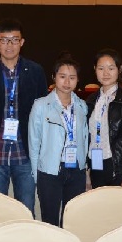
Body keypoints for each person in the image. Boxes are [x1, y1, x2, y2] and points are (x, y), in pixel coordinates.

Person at [0, 18, 48, 215]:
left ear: (22, 42)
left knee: (26, 211)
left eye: (14, 40)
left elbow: (43, 114)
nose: (9, 45)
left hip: (25, 155)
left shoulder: (35, 72)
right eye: (4, 40)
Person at [28, 55, 88, 227]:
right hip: (49, 171)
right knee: (50, 220)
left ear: (78, 80)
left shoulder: (82, 106)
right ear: (54, 77)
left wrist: (84, 169)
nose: (67, 82)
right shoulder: (41, 106)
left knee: (71, 219)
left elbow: (85, 139)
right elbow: (34, 142)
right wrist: (37, 175)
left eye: (72, 77)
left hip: (76, 170)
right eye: (62, 76)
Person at [85, 49, 122, 190]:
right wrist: (87, 173)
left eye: (111, 68)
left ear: (119, 69)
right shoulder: (90, 100)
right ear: (95, 69)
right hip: (96, 165)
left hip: (118, 167)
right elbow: (88, 138)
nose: (106, 73)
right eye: (101, 68)